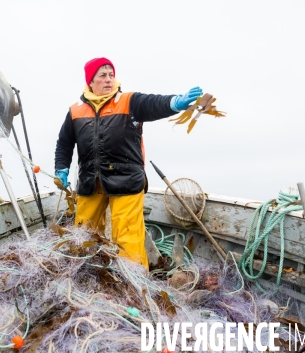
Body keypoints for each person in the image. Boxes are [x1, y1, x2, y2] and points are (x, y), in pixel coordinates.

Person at [54, 57, 202, 268]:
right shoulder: (75, 111)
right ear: (90, 82)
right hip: (90, 183)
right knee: (83, 234)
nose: (109, 80)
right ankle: (86, 275)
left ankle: (134, 284)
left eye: (111, 75)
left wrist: (175, 102)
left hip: (126, 181)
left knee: (128, 238)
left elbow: (154, 104)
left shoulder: (129, 101)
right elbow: (64, 143)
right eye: (102, 75)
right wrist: (62, 168)